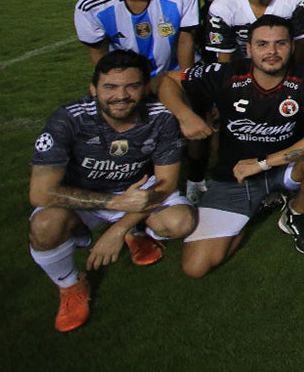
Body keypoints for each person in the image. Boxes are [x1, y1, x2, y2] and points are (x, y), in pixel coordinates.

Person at [28, 52, 196, 332]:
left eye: (131, 86)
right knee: (44, 225)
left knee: (180, 221)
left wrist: (118, 229)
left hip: (139, 192)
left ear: (145, 88)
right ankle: (70, 285)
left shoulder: (161, 117)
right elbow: (41, 193)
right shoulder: (67, 119)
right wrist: (117, 202)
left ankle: (132, 231)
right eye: (110, 87)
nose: (121, 95)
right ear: (93, 89)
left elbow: (165, 183)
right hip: (86, 197)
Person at [171, 15, 304, 275]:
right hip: (235, 175)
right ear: (249, 49)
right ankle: (255, 207)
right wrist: (186, 116)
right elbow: (166, 81)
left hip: (284, 169)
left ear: (292, 46)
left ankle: (295, 214)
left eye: (280, 44)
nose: (272, 52)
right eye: (262, 44)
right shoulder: (227, 74)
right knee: (196, 267)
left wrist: (263, 163)